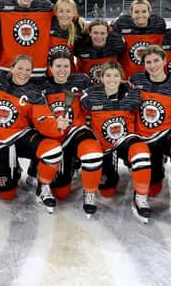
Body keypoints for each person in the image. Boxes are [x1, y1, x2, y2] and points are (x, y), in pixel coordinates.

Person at [0, 55, 66, 212]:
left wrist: (56, 125)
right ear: (12, 68)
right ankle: (15, 170)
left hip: (21, 135)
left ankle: (43, 185)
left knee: (53, 150)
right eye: (20, 68)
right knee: (6, 195)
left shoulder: (33, 92)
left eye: (28, 70)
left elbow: (43, 118)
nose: (24, 72)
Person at [81, 61, 153, 224]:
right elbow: (83, 108)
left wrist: (106, 104)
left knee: (142, 153)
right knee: (107, 191)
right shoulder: (90, 93)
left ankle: (140, 197)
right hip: (102, 145)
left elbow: (133, 103)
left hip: (125, 139)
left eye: (116, 75)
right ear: (101, 77)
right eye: (108, 75)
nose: (112, 79)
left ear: (122, 78)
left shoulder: (133, 93)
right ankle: (90, 192)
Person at [129, 46, 171, 221]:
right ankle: (140, 196)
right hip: (144, 135)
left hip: (168, 132)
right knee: (153, 188)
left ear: (165, 60)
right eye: (148, 62)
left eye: (156, 60)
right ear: (143, 65)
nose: (153, 65)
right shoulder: (136, 80)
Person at [41, 52, 103, 217]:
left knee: (92, 151)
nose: (62, 70)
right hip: (54, 136)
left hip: (76, 131)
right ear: (50, 68)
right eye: (58, 66)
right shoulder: (42, 85)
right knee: (61, 193)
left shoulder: (81, 80)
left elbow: (100, 91)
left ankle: (90, 193)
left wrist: (125, 85)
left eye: (66, 66)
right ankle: (41, 175)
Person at [110, 0, 166, 77]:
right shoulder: (121, 24)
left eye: (144, 11)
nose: (140, 15)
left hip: (152, 77)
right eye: (136, 12)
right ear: (131, 14)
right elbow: (104, 30)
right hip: (128, 77)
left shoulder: (158, 25)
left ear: (149, 13)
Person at [74, 19, 126, 84]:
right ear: (90, 33)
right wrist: (78, 19)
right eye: (95, 33)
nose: (99, 36)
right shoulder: (80, 45)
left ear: (107, 34)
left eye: (102, 33)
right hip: (86, 88)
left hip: (109, 87)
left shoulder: (116, 45)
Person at [48, 0, 80, 70]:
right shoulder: (49, 24)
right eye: (61, 11)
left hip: (68, 75)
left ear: (74, 13)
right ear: (56, 12)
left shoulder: (79, 29)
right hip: (49, 75)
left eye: (68, 11)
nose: (64, 15)